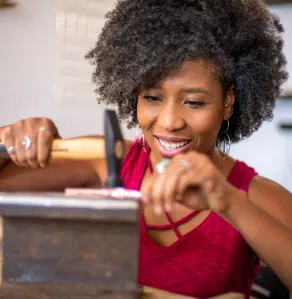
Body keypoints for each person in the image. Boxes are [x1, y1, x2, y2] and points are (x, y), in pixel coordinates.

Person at [0, 0, 292, 298]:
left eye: (193, 102)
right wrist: (10, 138)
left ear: (228, 102)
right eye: (152, 98)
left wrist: (230, 203)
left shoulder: (254, 196)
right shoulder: (107, 160)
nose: (168, 122)